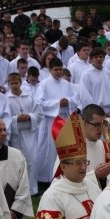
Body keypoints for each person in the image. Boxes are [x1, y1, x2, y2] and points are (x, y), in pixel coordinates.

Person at [34, 57, 76, 188]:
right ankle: (46, 178)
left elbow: (76, 98)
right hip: (50, 121)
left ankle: (64, 175)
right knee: (49, 150)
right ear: (50, 69)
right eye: (56, 70)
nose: (58, 72)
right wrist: (58, 103)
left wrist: (67, 101)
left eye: (60, 69)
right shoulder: (44, 84)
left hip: (64, 119)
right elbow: (39, 103)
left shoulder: (67, 84)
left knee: (64, 149)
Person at [6, 72, 43, 196]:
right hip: (15, 135)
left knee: (31, 161)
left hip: (29, 134)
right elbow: (5, 118)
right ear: (8, 84)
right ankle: (19, 190)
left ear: (21, 83)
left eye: (16, 83)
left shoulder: (29, 97)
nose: (14, 86)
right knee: (17, 162)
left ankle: (32, 190)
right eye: (12, 83)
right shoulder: (6, 99)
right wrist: (15, 119)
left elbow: (39, 114)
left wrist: (29, 116)